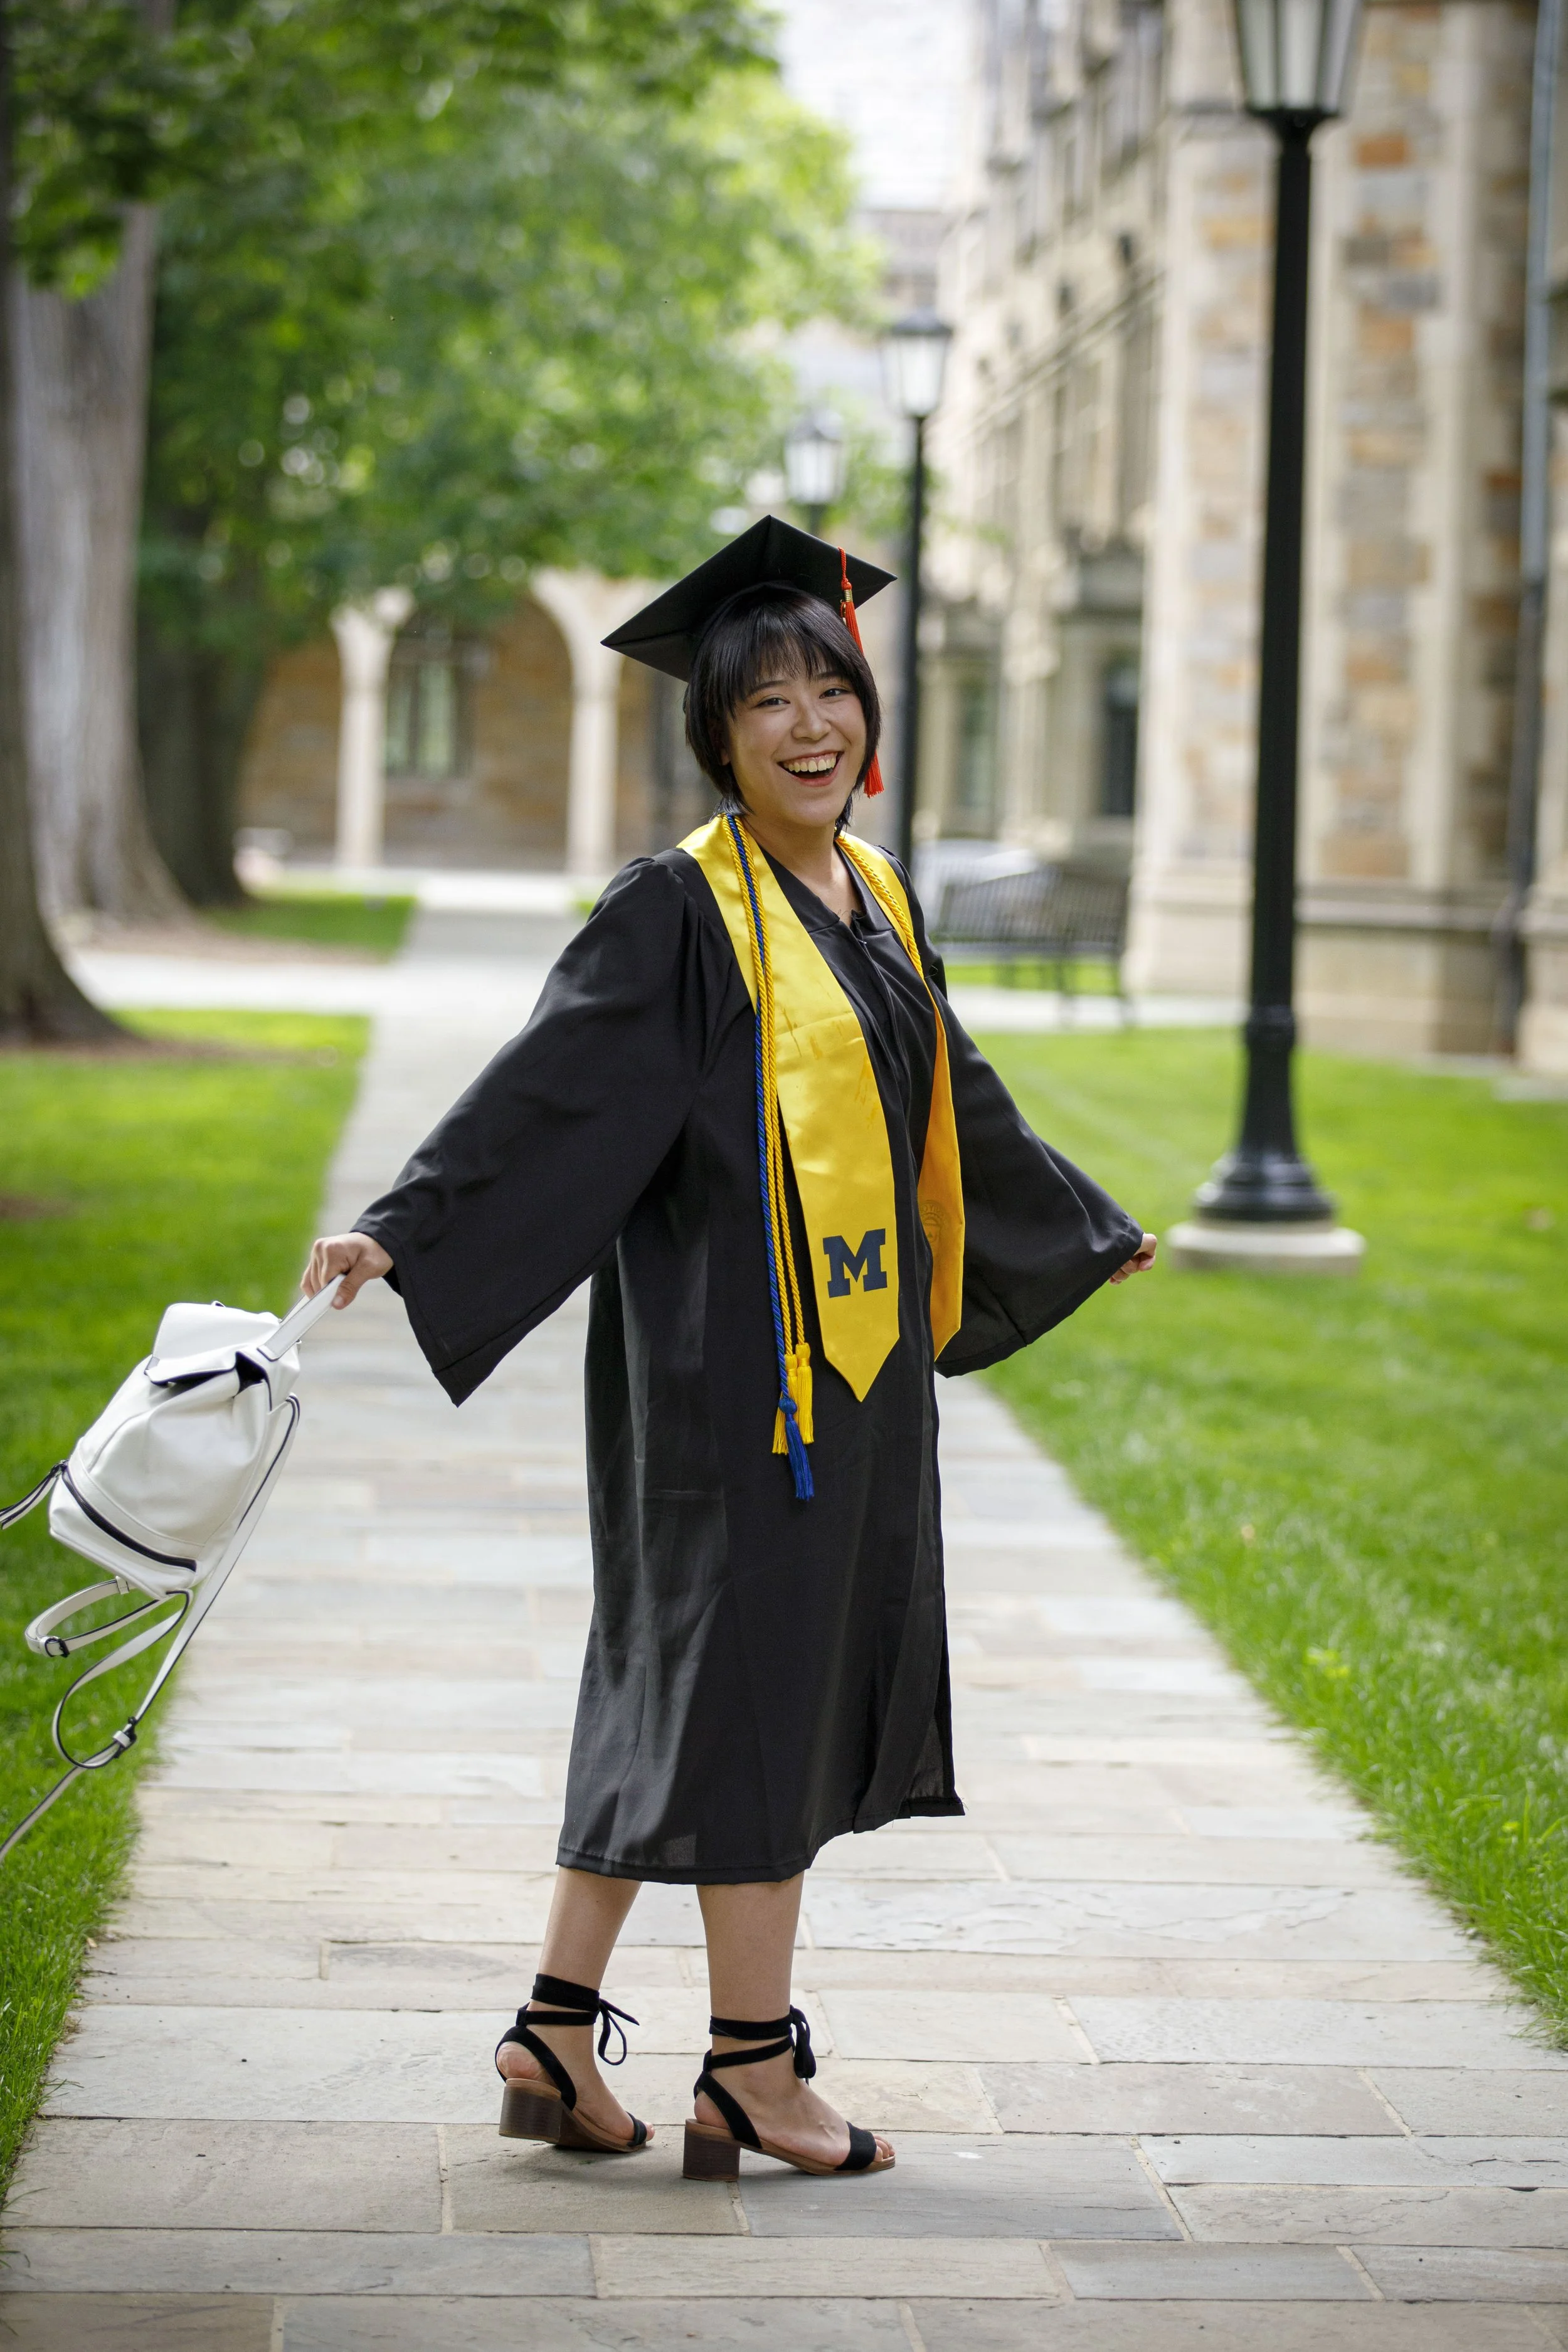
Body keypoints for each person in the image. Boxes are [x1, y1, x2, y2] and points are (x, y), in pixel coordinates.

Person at [302, 516, 1157, 2183]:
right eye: (764, 700)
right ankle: (754, 2072)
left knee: (685, 1689)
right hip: (734, 1379)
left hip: (846, 1374)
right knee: (748, 1697)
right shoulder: (677, 909)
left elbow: (947, 1101)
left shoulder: (873, 892)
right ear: (715, 737)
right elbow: (552, 1079)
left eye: (828, 687)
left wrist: (1069, 1218)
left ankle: (556, 2027)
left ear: (866, 716)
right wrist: (412, 1219)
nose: (807, 723)